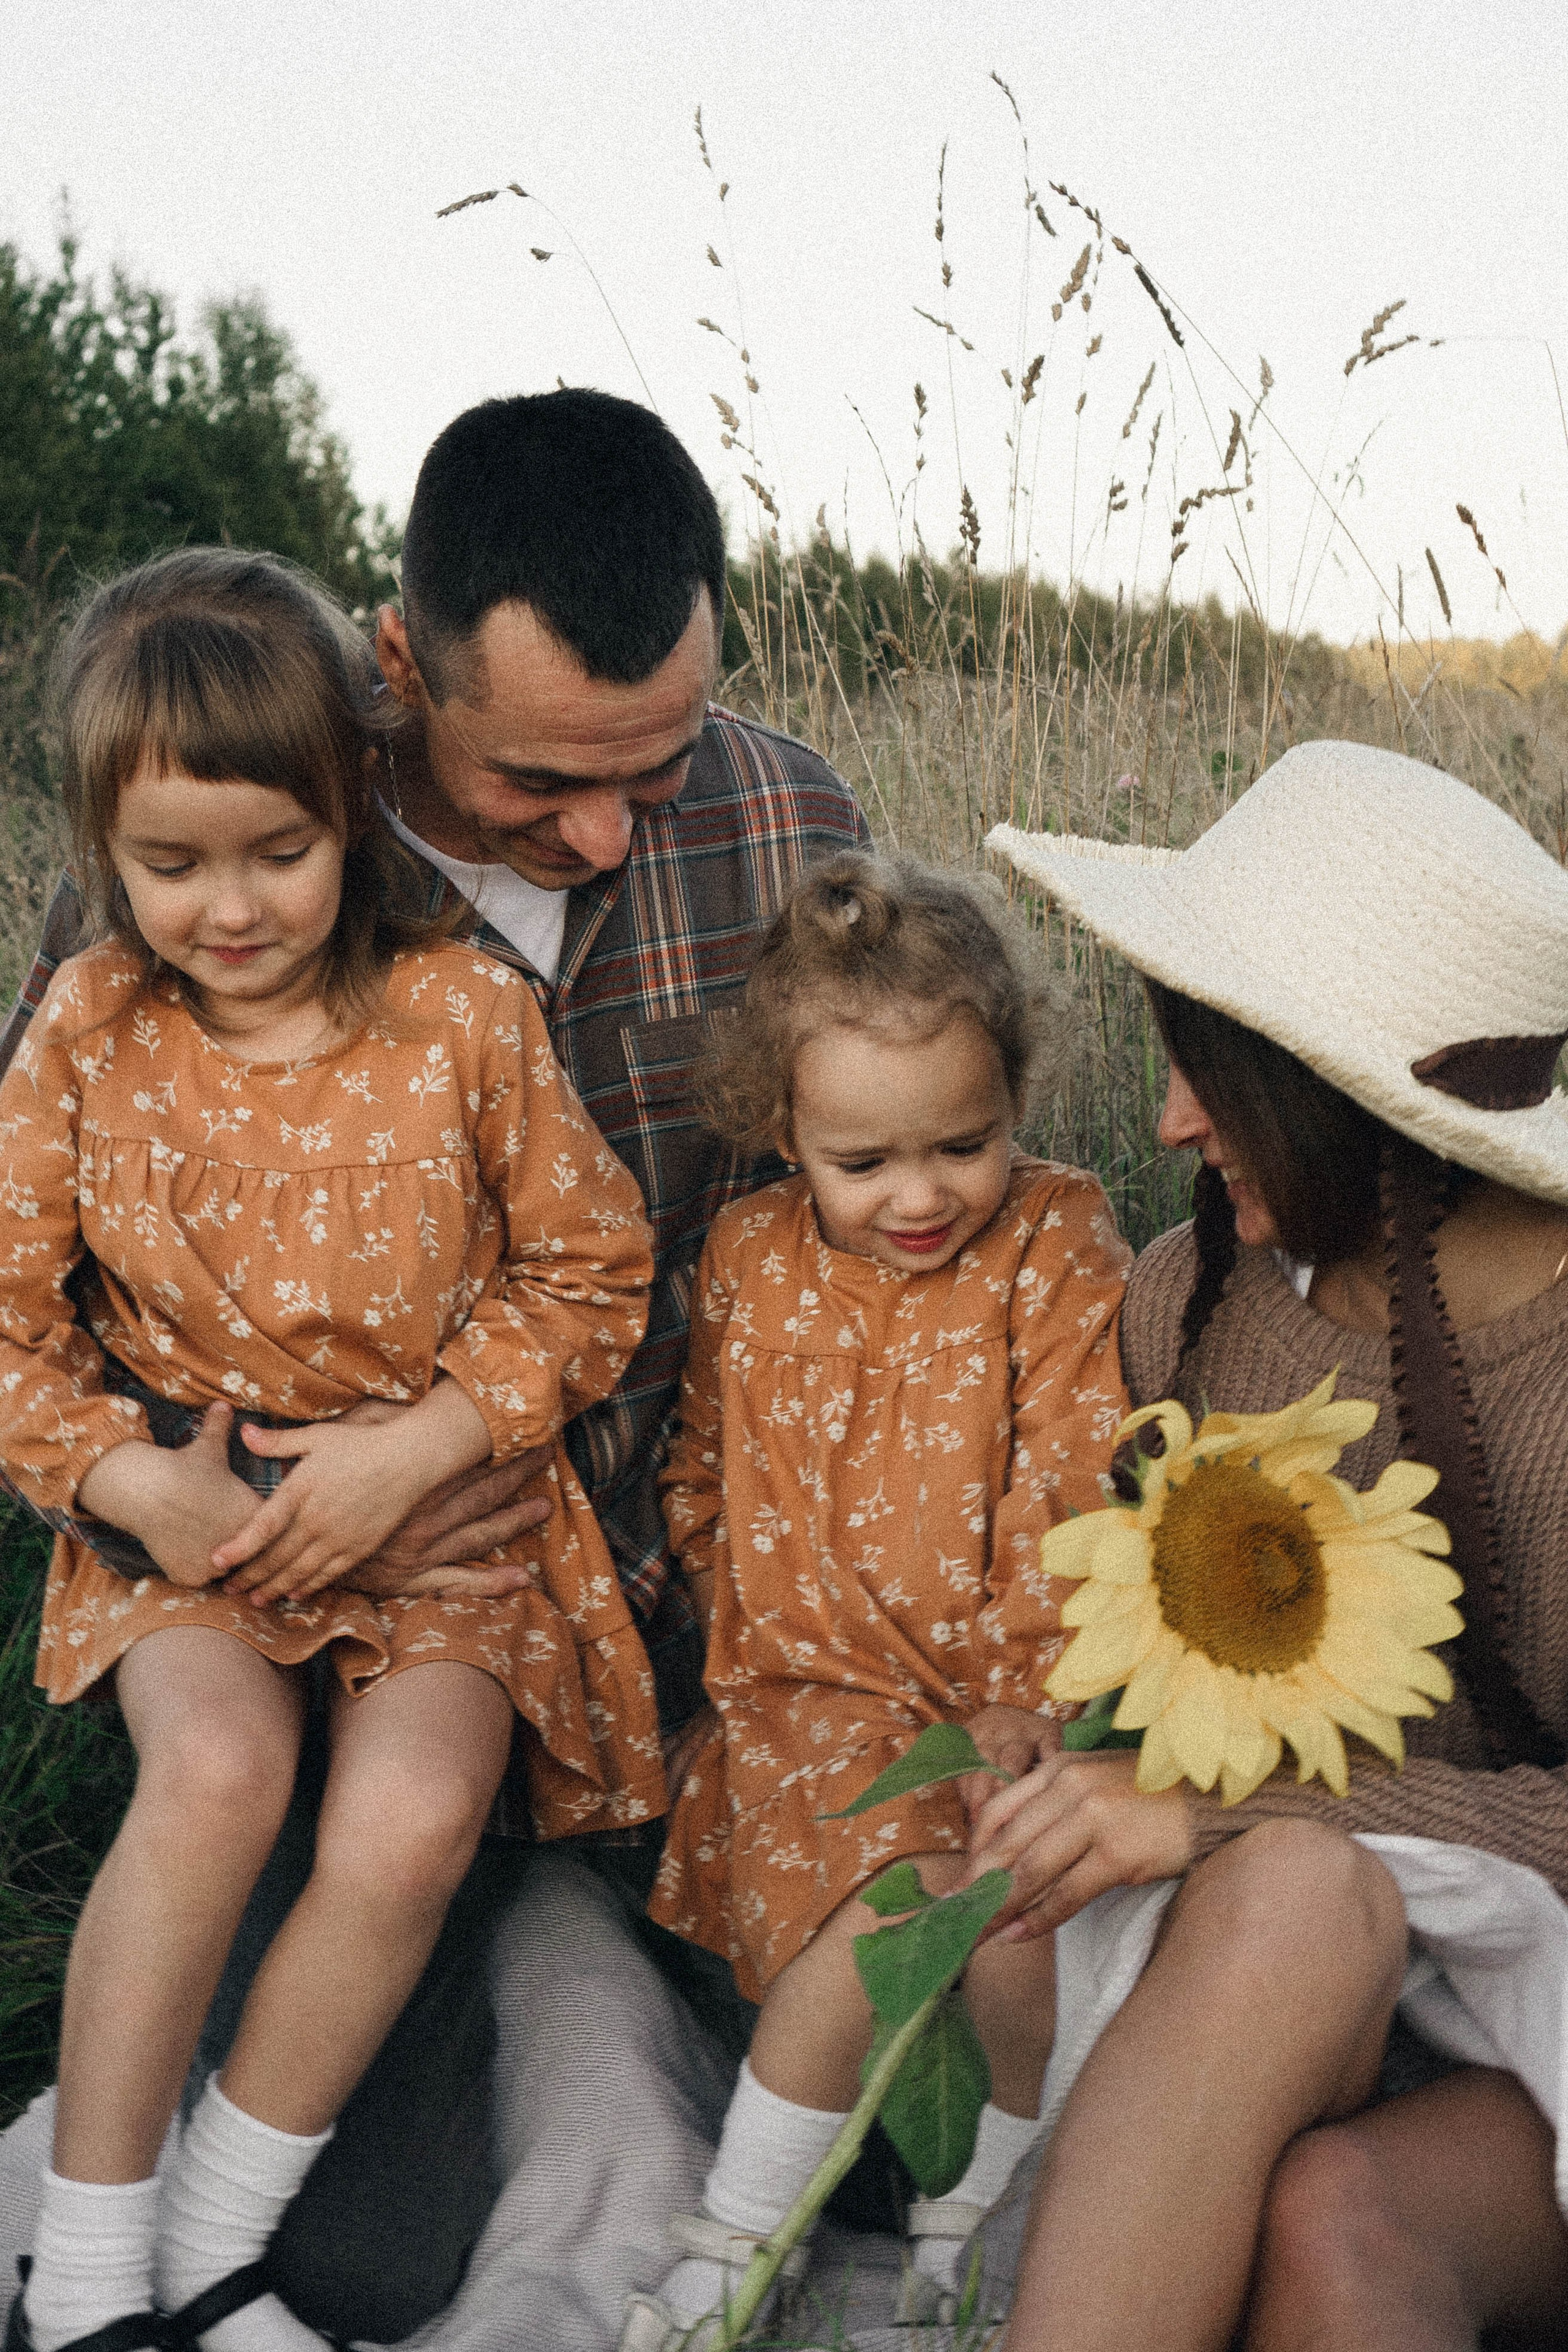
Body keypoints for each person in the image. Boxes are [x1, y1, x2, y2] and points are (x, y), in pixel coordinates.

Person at [1, 389, 870, 2343]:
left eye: (655, 768)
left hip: (610, 1620)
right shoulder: (175, 891)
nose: (604, 831)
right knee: (382, 2246)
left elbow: (840, 1238)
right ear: (401, 671)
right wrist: (209, 1483)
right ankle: (138, 2258)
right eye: (545, 778)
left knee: (824, 2109)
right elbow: (45, 1300)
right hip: (261, 1618)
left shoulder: (790, 827)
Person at [979, 741, 1568, 2350]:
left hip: (1548, 2016)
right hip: (1290, 1972)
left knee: (1337, 2224)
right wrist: (1059, 1736)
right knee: (1297, 1895)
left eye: (1217, 1074)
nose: (1167, 1120)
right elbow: (1148, 1644)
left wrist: (1225, 1809)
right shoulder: (1200, 1295)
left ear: (1347, 1091)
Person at [619, 854, 1130, 2347]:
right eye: (863, 1164)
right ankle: (736, 2234)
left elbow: (1082, 1472)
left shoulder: (1048, 1239)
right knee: (879, 1915)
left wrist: (1033, 1689)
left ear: (1015, 1103)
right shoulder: (746, 1255)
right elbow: (701, 1462)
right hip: (810, 1694)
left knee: (1023, 1912)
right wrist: (748, 1613)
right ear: (782, 1131)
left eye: (960, 1144)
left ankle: (967, 2234)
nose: (919, 1195)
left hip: (1005, 1696)